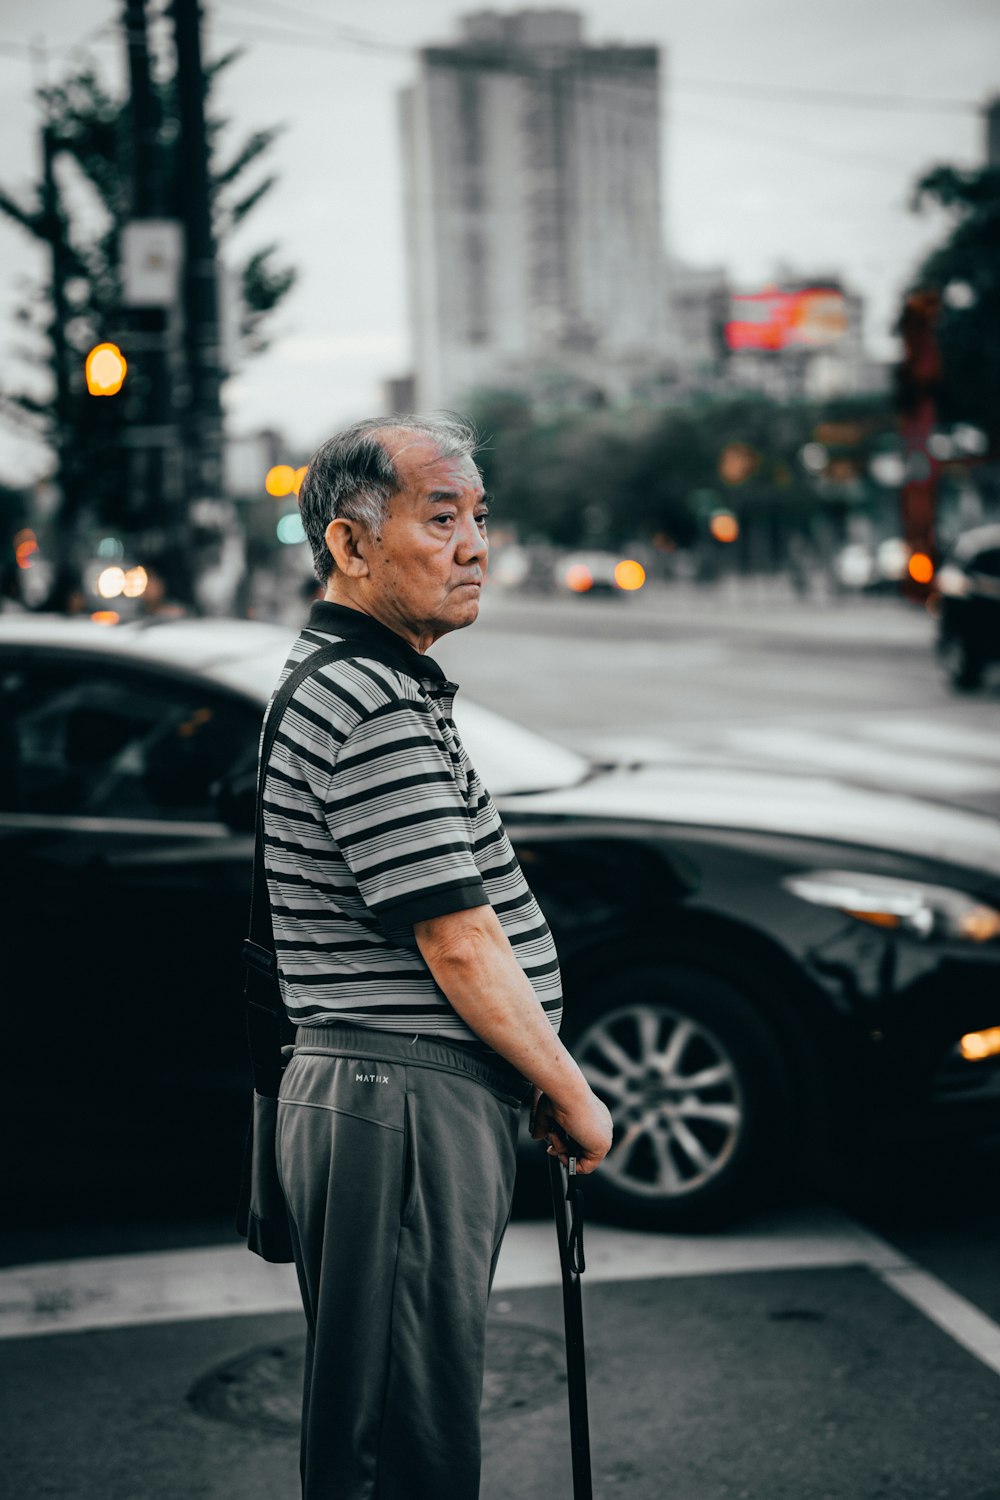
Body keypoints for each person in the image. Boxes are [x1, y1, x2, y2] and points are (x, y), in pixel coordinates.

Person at [262, 413, 612, 1499]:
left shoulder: (377, 681)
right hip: (399, 1099)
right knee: (400, 1434)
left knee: (404, 1409)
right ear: (350, 548)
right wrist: (570, 1087)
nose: (473, 547)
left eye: (479, 519)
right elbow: (456, 941)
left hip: (402, 1096)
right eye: (440, 517)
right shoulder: (365, 700)